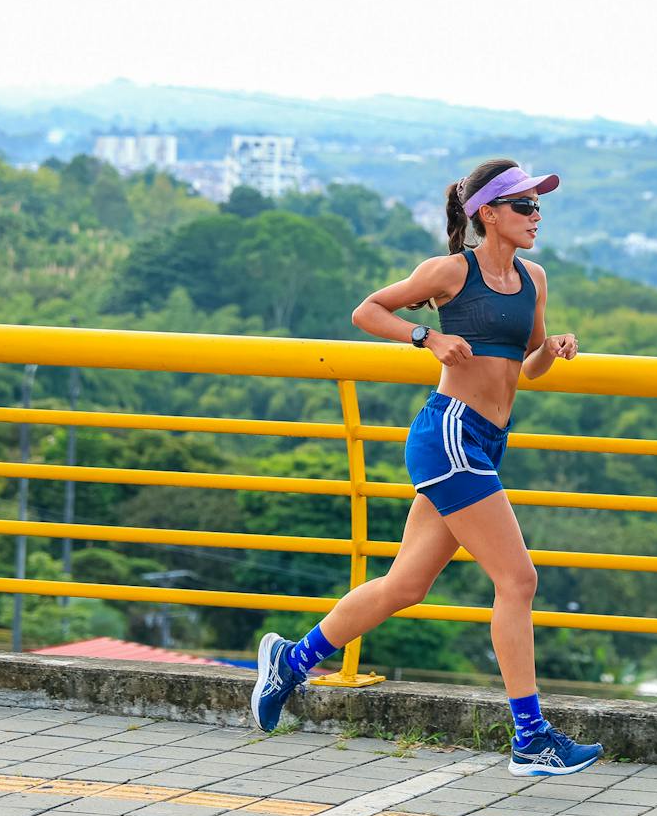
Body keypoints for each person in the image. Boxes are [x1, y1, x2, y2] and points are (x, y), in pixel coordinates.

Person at [249, 158, 603, 777]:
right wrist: (426, 338)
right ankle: (530, 736)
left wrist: (554, 349)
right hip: (449, 433)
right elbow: (367, 310)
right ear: (487, 214)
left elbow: (526, 366)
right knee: (519, 581)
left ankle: (291, 660)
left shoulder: (534, 278)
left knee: (406, 586)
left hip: (489, 440)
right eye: (524, 206)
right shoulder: (448, 272)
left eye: (539, 205)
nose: (536, 216)